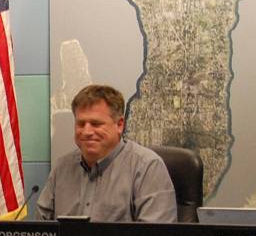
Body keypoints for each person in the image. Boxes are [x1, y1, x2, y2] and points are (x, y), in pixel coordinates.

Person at [36, 84, 177, 222]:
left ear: (119, 125)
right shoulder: (62, 168)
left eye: (96, 124)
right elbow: (40, 234)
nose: (86, 132)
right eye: (81, 124)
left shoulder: (147, 167)